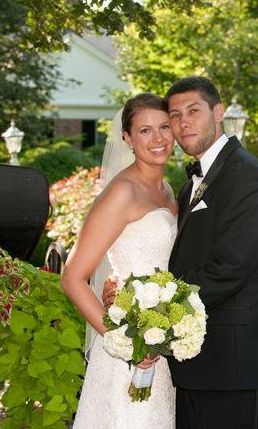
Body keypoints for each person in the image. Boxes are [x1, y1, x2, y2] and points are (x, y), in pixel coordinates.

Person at [107, 77, 258, 428]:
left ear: (218, 113)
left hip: (235, 368)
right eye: (174, 115)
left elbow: (229, 269)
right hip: (197, 366)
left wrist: (154, 312)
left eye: (193, 111)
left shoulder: (248, 178)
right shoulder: (191, 183)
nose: (183, 122)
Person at [61, 93, 178, 428]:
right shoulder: (122, 192)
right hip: (128, 346)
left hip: (162, 338)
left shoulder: (167, 189)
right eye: (145, 131)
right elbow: (72, 278)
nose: (157, 138)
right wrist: (127, 344)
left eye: (164, 127)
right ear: (127, 138)